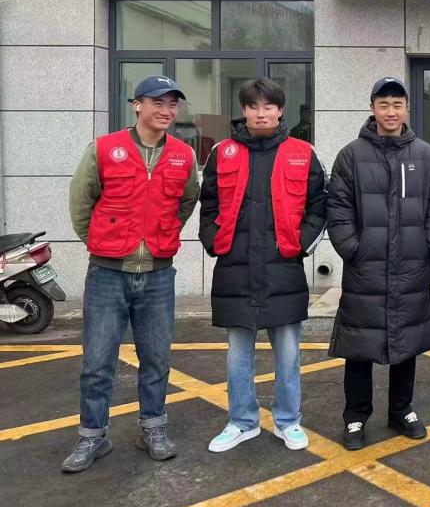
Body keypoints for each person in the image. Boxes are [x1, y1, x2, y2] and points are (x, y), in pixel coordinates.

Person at [64, 76, 199, 473]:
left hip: (158, 274)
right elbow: (81, 202)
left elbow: (186, 202)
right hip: (108, 274)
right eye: (157, 102)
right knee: (97, 361)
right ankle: (92, 435)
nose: (166, 111)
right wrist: (103, 242)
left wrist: (161, 235)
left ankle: (153, 428)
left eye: (172, 104)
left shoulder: (183, 155)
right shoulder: (104, 149)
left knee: (156, 358)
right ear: (137, 105)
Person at [198, 78, 327, 453]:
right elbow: (209, 205)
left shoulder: (302, 152)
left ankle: (288, 421)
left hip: (283, 270)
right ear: (244, 110)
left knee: (288, 354)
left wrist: (300, 244)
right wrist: (212, 239)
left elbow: (319, 206)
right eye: (253, 106)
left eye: (268, 106)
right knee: (238, 356)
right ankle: (242, 422)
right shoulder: (223, 153)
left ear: (280, 110)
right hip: (235, 270)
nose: (261, 113)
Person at [326, 77, 430, 451]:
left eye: (397, 104)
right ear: (372, 109)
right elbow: (338, 207)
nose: (391, 112)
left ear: (407, 108)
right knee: (359, 345)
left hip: (411, 264)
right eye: (383, 104)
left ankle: (401, 409)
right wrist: (353, 248)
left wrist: (429, 244)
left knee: (406, 342)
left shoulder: (424, 155)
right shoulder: (351, 155)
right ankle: (355, 415)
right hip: (367, 266)